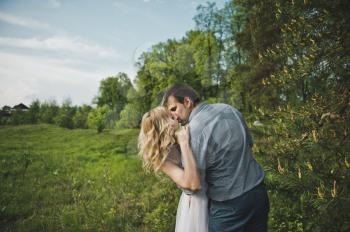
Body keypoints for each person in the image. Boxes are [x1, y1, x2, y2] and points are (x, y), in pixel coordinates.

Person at [162, 84, 270, 232]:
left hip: (229, 207)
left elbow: (193, 186)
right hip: (258, 193)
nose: (173, 116)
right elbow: (249, 144)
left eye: (174, 108)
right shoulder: (229, 109)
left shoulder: (192, 133)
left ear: (187, 102)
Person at [138, 106, 209, 232]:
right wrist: (184, 144)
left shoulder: (176, 139)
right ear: (164, 125)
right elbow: (193, 185)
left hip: (210, 193)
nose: (175, 116)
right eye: (171, 117)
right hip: (197, 204)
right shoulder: (161, 157)